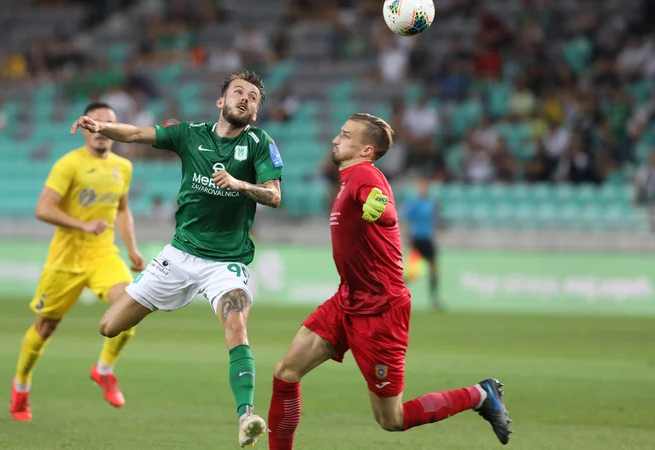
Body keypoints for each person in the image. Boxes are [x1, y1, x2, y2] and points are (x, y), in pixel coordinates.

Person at [266, 114, 512, 449]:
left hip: (380, 309)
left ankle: (480, 394)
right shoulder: (349, 178)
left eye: (346, 135)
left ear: (366, 149)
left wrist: (377, 207)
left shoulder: (366, 174)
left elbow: (386, 209)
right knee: (286, 372)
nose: (336, 139)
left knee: (391, 419)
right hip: (348, 299)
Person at [70, 70, 283, 448]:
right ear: (221, 101)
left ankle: (246, 416)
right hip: (179, 255)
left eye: (253, 98)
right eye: (239, 92)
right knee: (109, 326)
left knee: (237, 328)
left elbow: (274, 195)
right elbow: (135, 134)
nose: (245, 99)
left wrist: (240, 185)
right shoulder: (189, 133)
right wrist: (101, 125)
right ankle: (102, 366)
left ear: (254, 113)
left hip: (227, 263)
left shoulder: (259, 143)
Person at [9, 102, 146, 422]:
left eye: (108, 123)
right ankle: (21, 386)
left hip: (103, 256)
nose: (101, 128)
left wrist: (132, 248)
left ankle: (103, 369)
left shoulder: (123, 167)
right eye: (95, 122)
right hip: (66, 259)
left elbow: (122, 209)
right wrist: (83, 225)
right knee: (45, 327)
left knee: (132, 304)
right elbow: (43, 208)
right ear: (85, 128)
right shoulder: (68, 164)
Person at [401, 175, 442, 311]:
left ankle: (434, 299)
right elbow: (406, 220)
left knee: (433, 270)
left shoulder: (431, 203)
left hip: (427, 239)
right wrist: (407, 237)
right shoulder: (413, 203)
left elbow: (436, 219)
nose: (423, 188)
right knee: (413, 273)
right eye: (421, 186)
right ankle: (396, 295)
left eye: (425, 186)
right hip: (416, 239)